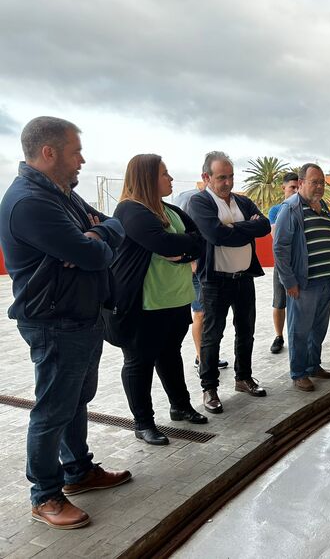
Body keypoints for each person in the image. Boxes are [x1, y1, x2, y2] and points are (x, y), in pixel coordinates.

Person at [0, 116, 131, 529]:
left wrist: (96, 235)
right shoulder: (30, 202)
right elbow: (93, 255)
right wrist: (90, 243)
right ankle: (45, 495)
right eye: (75, 151)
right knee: (52, 410)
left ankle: (78, 471)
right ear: (49, 152)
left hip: (81, 315)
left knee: (76, 401)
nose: (82, 160)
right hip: (54, 322)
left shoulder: (61, 194)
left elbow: (114, 225)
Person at [106, 154, 207, 446]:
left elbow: (199, 240)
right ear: (147, 178)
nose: (171, 178)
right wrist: (182, 248)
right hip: (143, 304)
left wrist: (183, 252)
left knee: (170, 354)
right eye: (165, 173)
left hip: (174, 299)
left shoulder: (170, 210)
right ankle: (143, 422)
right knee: (139, 362)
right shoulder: (131, 211)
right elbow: (162, 243)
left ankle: (180, 406)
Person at [188, 151, 271, 413]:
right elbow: (215, 234)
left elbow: (265, 226)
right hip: (215, 282)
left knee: (246, 331)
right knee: (212, 336)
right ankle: (209, 388)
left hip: (243, 278)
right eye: (221, 177)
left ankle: (243, 378)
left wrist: (233, 228)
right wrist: (246, 228)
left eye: (231, 176)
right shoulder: (199, 202)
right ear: (206, 177)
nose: (227, 182)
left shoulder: (242, 202)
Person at [273, 163, 330, 392]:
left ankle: (313, 365)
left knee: (318, 329)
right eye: (314, 182)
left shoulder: (324, 206)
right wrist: (289, 281)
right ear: (301, 183)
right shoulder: (290, 209)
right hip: (304, 283)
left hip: (325, 280)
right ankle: (299, 373)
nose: (320, 186)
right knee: (299, 330)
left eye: (322, 182)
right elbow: (280, 248)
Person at [175, 181, 229, 372]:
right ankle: (201, 358)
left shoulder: (219, 201)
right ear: (207, 177)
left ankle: (207, 356)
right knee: (201, 312)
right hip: (195, 267)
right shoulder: (189, 199)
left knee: (209, 314)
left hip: (208, 265)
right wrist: (191, 261)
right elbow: (182, 230)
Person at [268, 172, 299, 354]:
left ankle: (297, 335)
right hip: (282, 265)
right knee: (279, 303)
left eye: (297, 187)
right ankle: (279, 337)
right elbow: (276, 237)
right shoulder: (275, 211)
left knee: (300, 303)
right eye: (291, 187)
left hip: (301, 265)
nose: (295, 191)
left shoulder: (303, 209)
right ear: (283, 188)